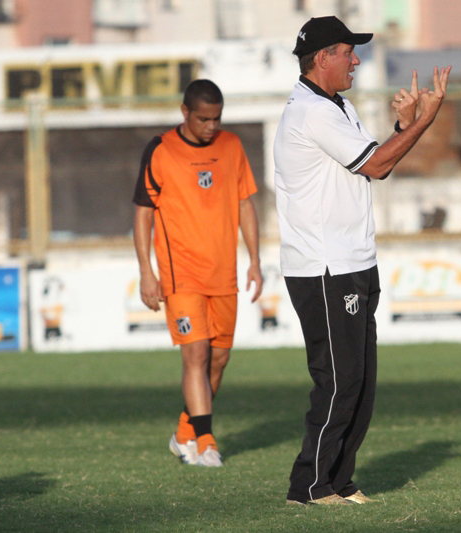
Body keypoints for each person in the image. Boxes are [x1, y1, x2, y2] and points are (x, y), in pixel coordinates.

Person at [274, 16, 451, 504]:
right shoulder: (313, 112)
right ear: (323, 57)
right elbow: (377, 163)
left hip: (352, 262)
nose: (356, 60)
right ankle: (308, 486)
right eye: (349, 51)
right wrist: (423, 121)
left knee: (361, 384)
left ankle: (336, 480)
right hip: (324, 267)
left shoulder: (336, 105)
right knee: (338, 380)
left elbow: (371, 166)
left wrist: (401, 126)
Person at [133, 79, 262, 467]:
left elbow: (245, 204)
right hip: (180, 273)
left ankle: (184, 434)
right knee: (197, 354)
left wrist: (255, 260)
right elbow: (142, 212)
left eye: (217, 119)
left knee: (218, 361)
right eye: (203, 119)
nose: (211, 126)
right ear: (184, 112)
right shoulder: (160, 149)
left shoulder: (232, 145)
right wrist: (146, 272)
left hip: (223, 273)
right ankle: (206, 443)